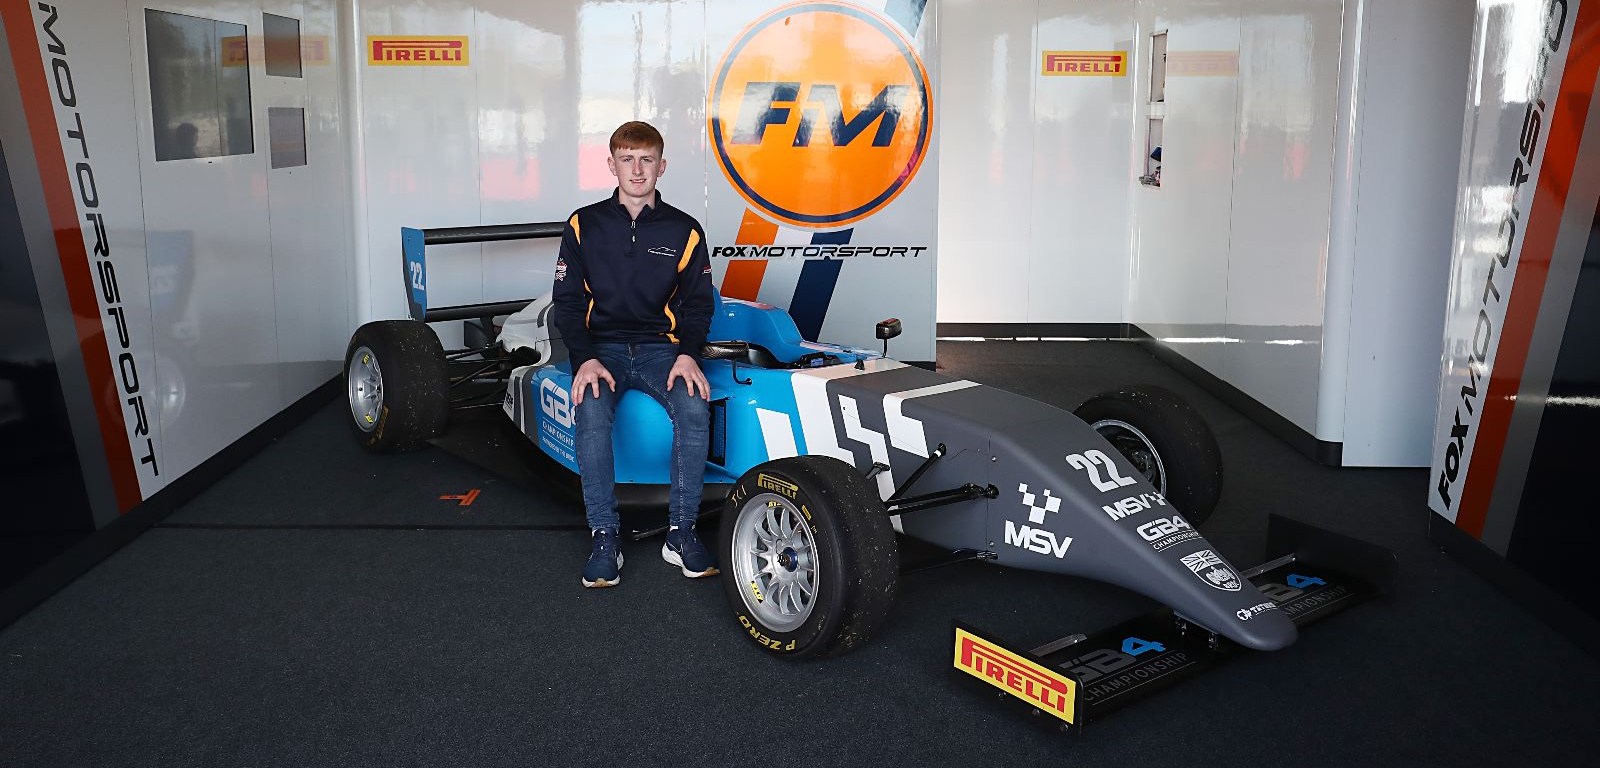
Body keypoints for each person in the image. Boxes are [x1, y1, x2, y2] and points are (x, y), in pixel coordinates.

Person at [551, 121, 718, 588]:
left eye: (647, 160)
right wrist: (583, 358)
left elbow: (700, 303)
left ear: (661, 166)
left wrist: (689, 355)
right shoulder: (584, 224)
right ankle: (605, 536)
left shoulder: (684, 229)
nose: (637, 169)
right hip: (600, 350)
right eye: (627, 159)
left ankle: (680, 534)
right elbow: (566, 302)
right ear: (612, 164)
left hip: (660, 350)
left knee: (693, 406)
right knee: (590, 408)